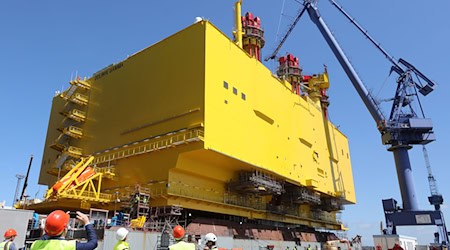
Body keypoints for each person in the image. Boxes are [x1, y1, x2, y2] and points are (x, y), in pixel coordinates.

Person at [30, 210, 97, 250]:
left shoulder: (35, 244)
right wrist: (87, 223)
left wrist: (53, 224)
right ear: (65, 230)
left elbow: (49, 232)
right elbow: (93, 243)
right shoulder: (69, 246)